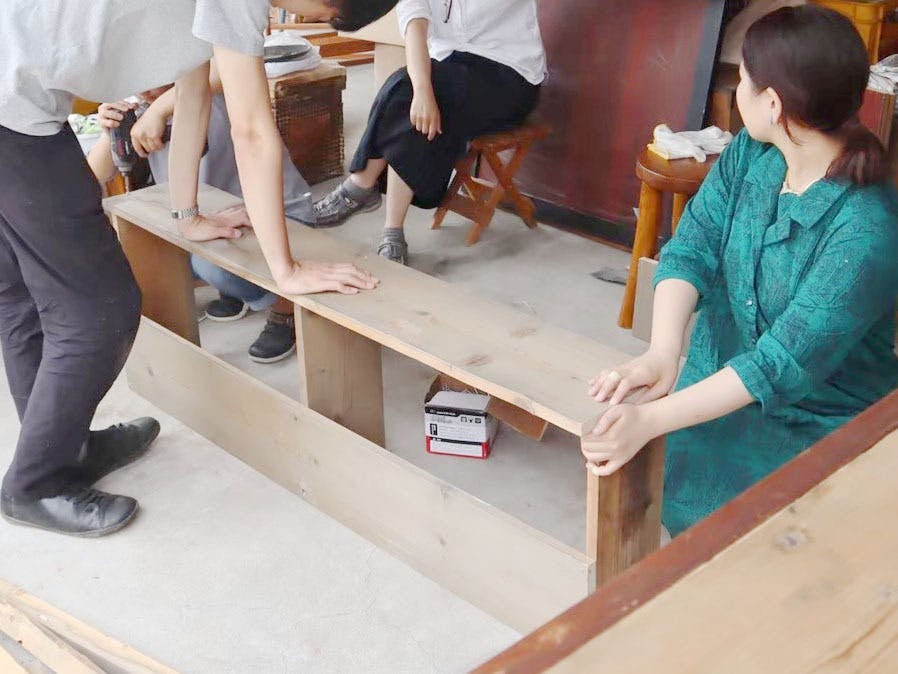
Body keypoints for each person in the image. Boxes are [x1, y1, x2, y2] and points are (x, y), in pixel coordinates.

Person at [0, 0, 396, 537]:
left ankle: (61, 448)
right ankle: (36, 484)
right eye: (327, 17)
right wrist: (286, 270)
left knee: (24, 293)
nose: (310, 22)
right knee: (99, 312)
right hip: (13, 113)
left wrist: (187, 216)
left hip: (14, 98)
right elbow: (253, 131)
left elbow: (192, 94)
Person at [582, 6, 898, 538]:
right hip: (720, 376)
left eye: (744, 80)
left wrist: (651, 419)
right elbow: (692, 246)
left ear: (773, 104)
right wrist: (663, 353)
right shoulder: (754, 152)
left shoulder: (866, 228)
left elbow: (779, 365)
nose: (736, 91)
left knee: (760, 543)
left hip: (821, 414)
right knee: (668, 490)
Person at [89, 70, 313, 364]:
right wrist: (111, 132)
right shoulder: (139, 107)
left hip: (273, 216)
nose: (148, 90)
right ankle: (235, 291)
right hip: (207, 218)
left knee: (209, 264)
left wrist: (161, 108)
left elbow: (220, 72)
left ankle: (286, 309)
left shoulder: (218, 91)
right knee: (139, 251)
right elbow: (94, 175)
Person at [312, 0, 546, 264]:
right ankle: (392, 229)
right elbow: (415, 27)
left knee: (412, 88)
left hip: (510, 77)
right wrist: (422, 92)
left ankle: (360, 189)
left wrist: (424, 90)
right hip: (451, 71)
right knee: (411, 96)